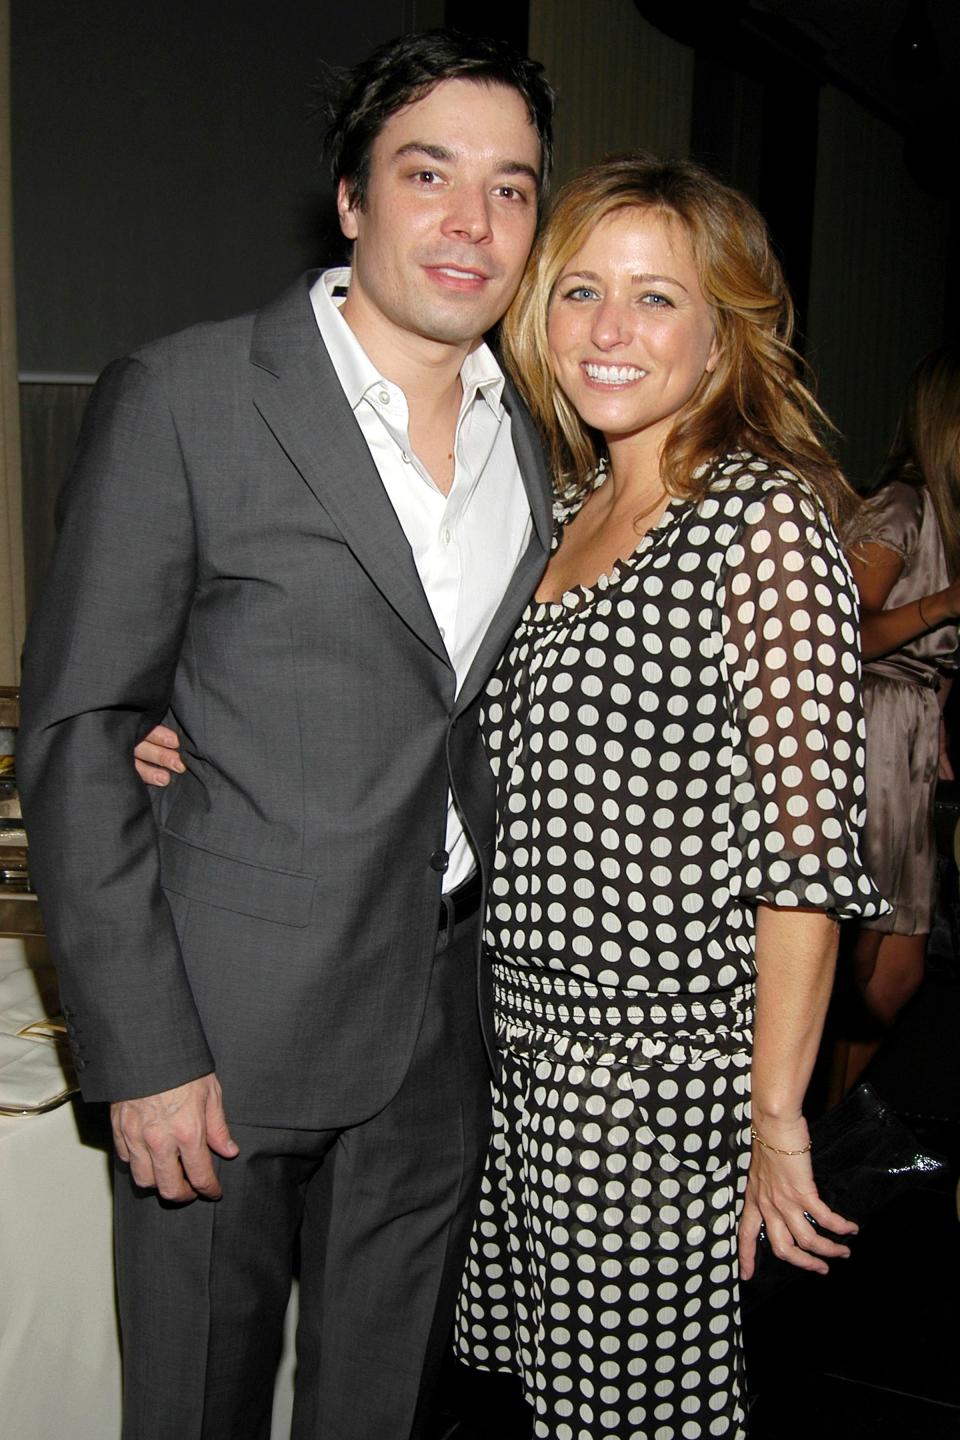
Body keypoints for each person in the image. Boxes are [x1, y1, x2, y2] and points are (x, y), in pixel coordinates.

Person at [16, 30, 555, 1440]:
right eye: (428, 173)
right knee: (197, 1402)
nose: (470, 221)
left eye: (511, 189)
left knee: (382, 1407)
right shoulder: (190, 395)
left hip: (441, 1025)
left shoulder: (539, 435)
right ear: (353, 199)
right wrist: (138, 1047)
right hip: (223, 1028)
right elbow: (79, 728)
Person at [443, 155, 887, 1439]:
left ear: (723, 332)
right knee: (559, 1414)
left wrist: (775, 1117)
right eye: (581, 289)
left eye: (656, 298)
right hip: (527, 1069)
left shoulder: (759, 519)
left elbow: (807, 854)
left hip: (652, 1089)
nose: (610, 331)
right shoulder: (569, 506)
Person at [843, 346, 960, 1090]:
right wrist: (944, 605)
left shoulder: (949, 515)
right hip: (872, 726)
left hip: (912, 733)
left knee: (899, 974)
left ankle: (831, 1133)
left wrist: (940, 719)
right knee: (855, 964)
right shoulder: (901, 504)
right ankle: (800, 1146)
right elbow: (843, 634)